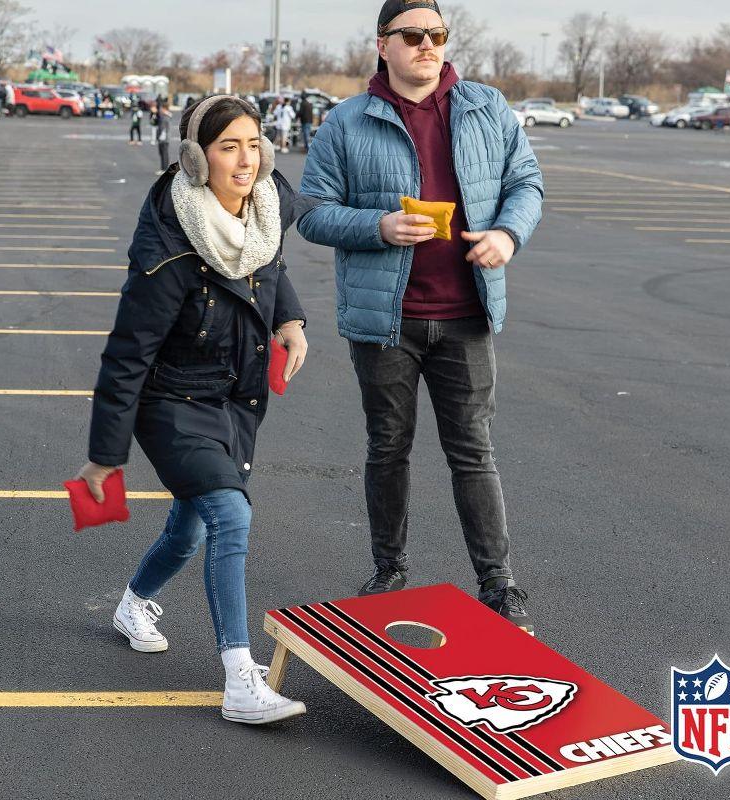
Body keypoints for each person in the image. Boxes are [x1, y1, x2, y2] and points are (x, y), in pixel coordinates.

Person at [298, 0, 543, 629]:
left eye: (436, 34)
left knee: (474, 452)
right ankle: (390, 570)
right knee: (388, 448)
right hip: (387, 322)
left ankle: (498, 583)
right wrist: (377, 225)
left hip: (467, 315)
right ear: (383, 45)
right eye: (412, 36)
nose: (427, 46)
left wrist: (508, 236)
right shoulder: (347, 122)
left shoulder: (487, 108)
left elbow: (527, 184)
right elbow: (313, 212)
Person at [74, 95, 317, 724]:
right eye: (226, 146)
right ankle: (240, 677)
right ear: (194, 157)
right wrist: (105, 456)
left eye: (253, 143)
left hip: (233, 402)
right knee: (230, 516)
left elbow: (267, 263)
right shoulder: (168, 247)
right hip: (171, 402)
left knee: (192, 528)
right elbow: (127, 353)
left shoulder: (262, 212)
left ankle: (133, 603)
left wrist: (289, 318)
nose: (244, 158)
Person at [155, 105, 173, 175]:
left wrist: (158, 137)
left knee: (163, 154)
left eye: (161, 108)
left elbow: (162, 128)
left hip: (163, 138)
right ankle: (164, 168)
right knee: (164, 154)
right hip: (165, 138)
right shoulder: (167, 116)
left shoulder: (164, 117)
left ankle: (164, 169)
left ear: (164, 109)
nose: (160, 110)